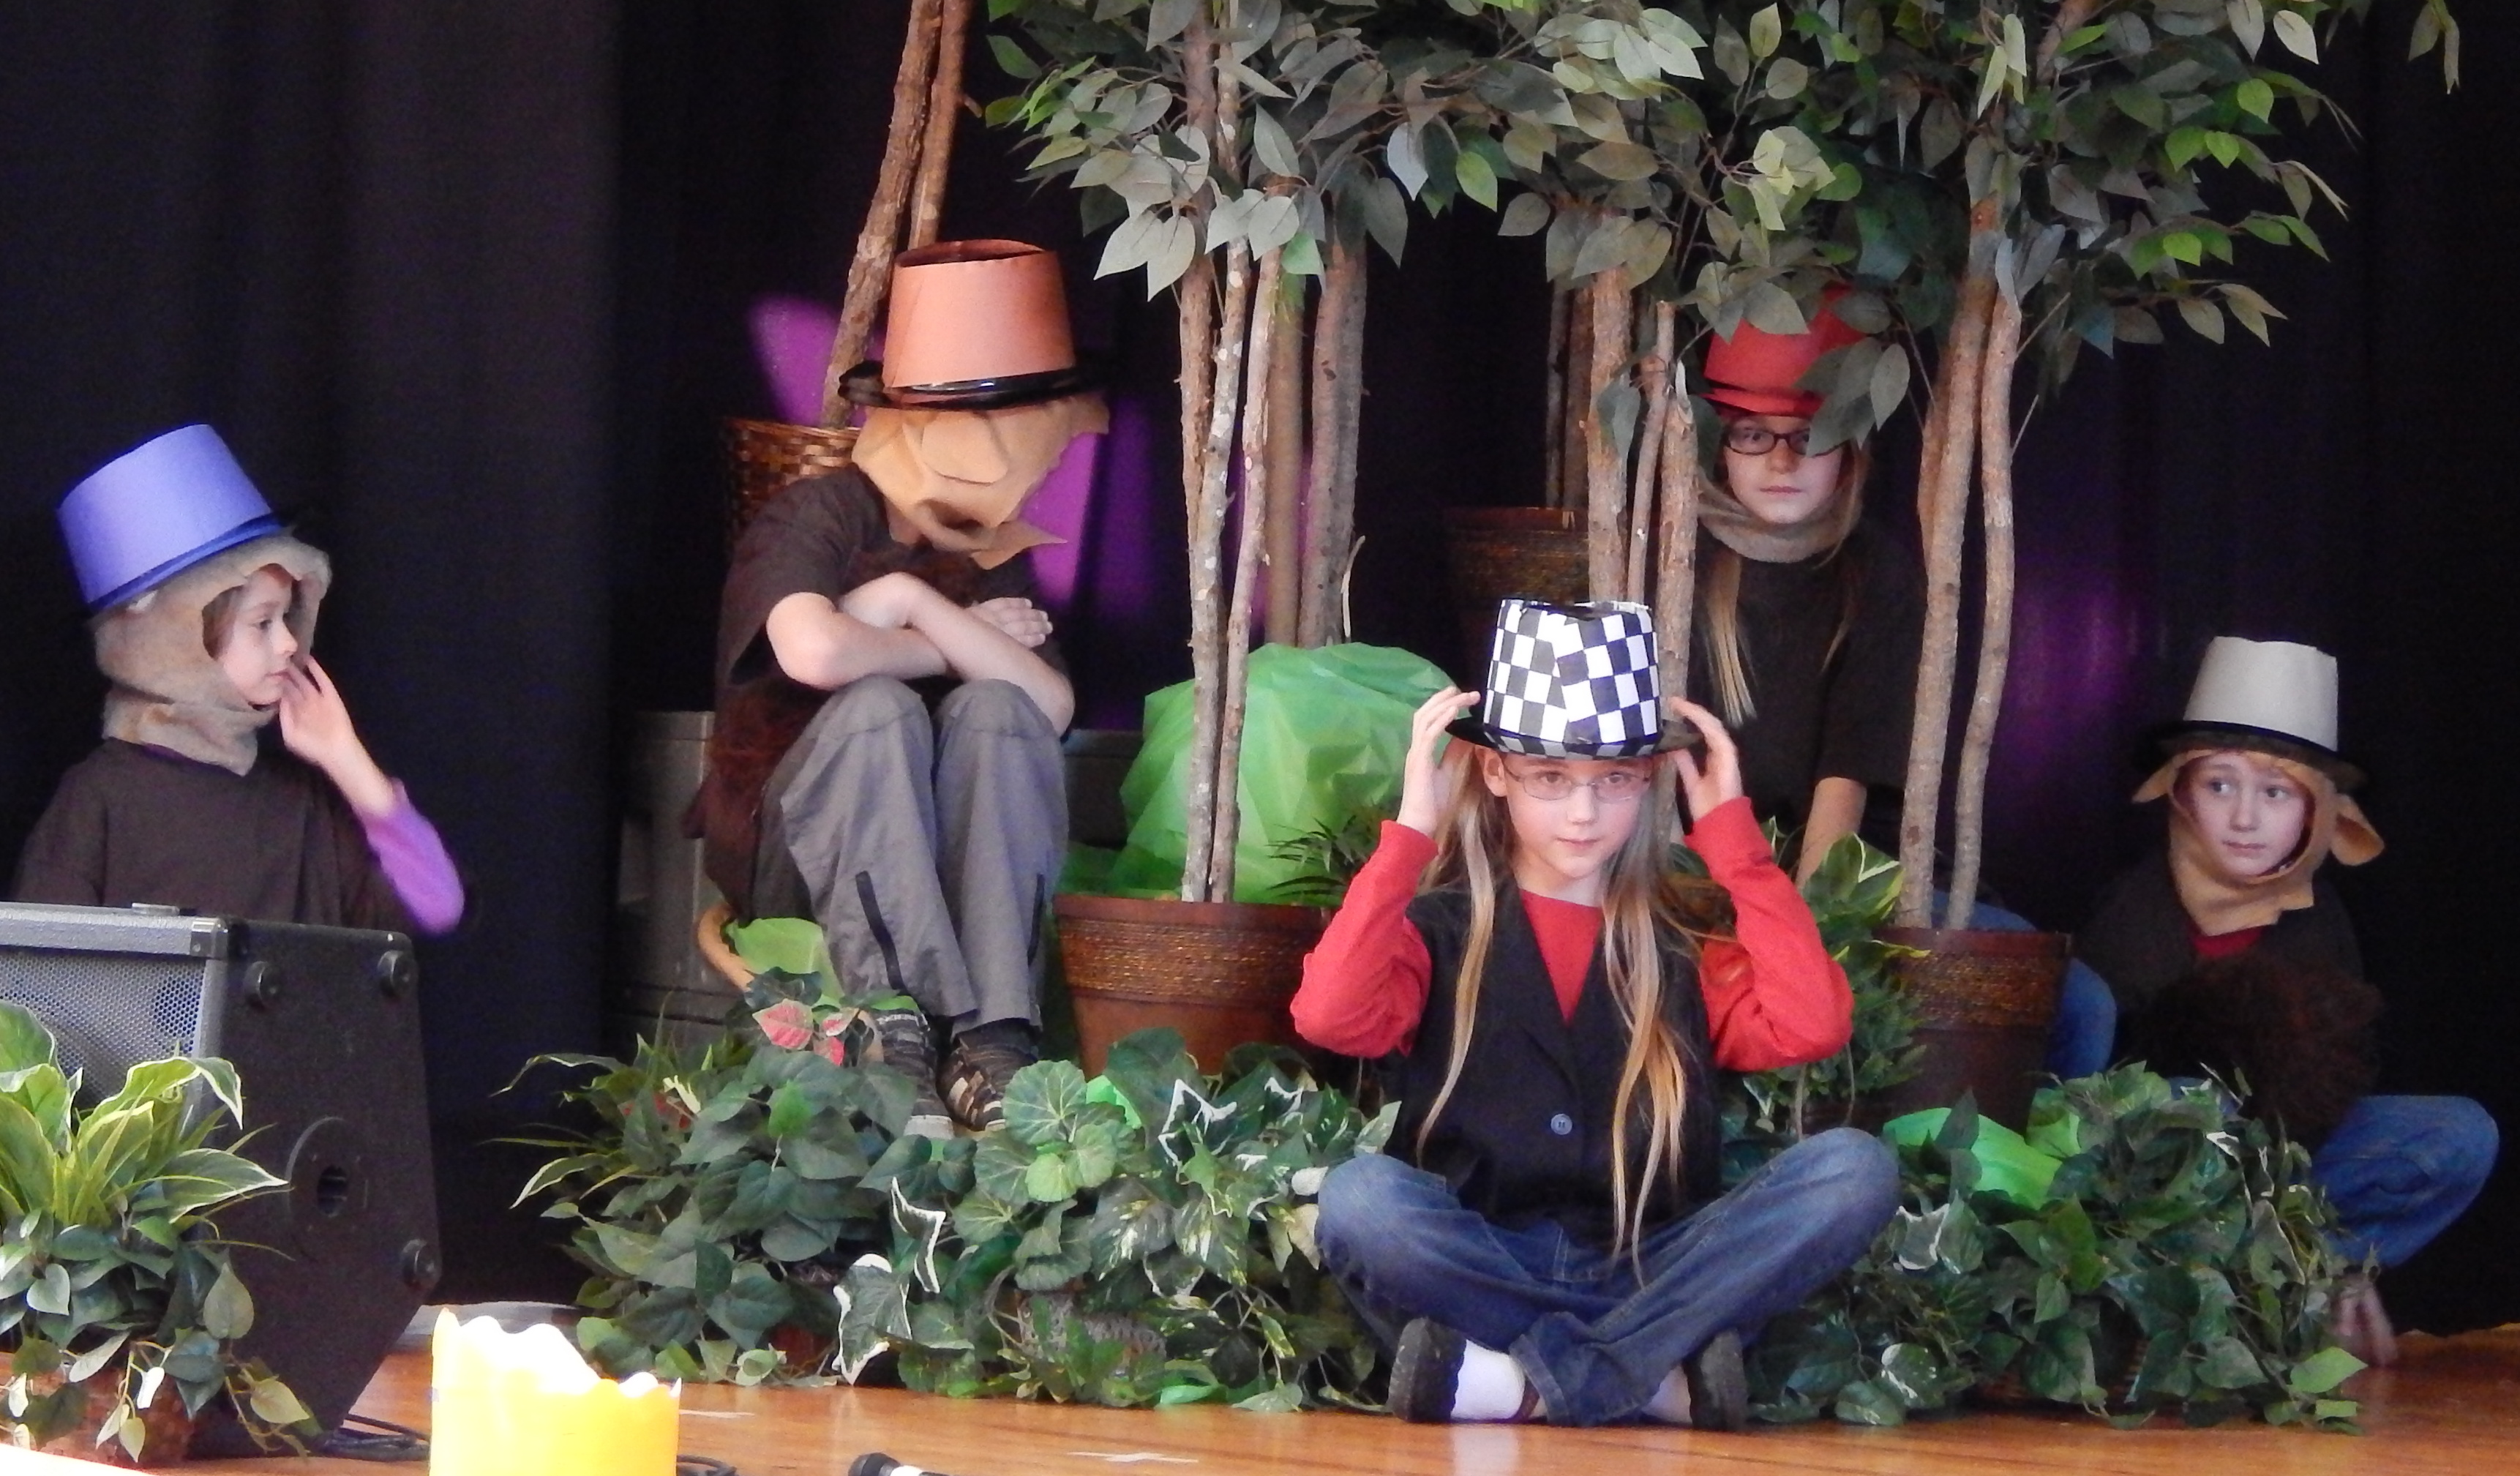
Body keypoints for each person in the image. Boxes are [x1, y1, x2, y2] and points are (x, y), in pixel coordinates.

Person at [1294, 599, 1899, 1428]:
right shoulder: (1437, 930)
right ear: (1497, 773)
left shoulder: (1681, 939)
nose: (1583, 813)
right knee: (1364, 1200)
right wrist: (1411, 834)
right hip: (1485, 1257)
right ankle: (1648, 1379)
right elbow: (1330, 1016)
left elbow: (1812, 1024)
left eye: (1613, 781)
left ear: (1648, 779)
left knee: (1853, 1170)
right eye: (1550, 779)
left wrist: (1737, 847)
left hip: (1653, 1268)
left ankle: (1524, 1385)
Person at [692, 239, 1102, 1136]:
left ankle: (994, 1038)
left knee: (997, 710)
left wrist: (904, 608)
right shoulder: (821, 512)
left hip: (951, 874)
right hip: (808, 856)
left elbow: (1048, 708)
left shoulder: (990, 552)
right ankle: (892, 1029)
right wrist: (945, 632)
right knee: (876, 709)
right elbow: (815, 653)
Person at [1690, 301, 2113, 1076]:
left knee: (2081, 1002)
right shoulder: (1678, 567)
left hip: (1850, 874)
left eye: (1810, 435)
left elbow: (1844, 783)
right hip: (1704, 875)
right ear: (1721, 447)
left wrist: (1808, 931)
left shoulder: (1875, 573)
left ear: (1849, 449)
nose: (1782, 462)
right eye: (1753, 435)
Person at [2077, 637, 2498, 1365]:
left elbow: (2340, 1081)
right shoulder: (2133, 911)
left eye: (2274, 793)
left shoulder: (2319, 919)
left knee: (2459, 1132)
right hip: (2167, 1175)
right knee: (2194, 1105)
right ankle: (2198, 1295)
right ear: (2181, 792)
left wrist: (2313, 1222)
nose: (2244, 818)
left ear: (2315, 812)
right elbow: (2099, 1101)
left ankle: (2313, 1273)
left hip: (2285, 1164)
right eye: (2220, 786)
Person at [13, 424, 463, 935]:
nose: (289, 643)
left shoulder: (304, 802)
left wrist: (347, 759)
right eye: (261, 622)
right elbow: (44, 968)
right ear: (177, 638)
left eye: (287, 617)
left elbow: (437, 905)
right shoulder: (100, 798)